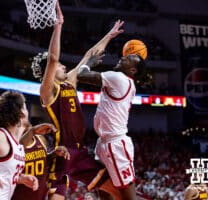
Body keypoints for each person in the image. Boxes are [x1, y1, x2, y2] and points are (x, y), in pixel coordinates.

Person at [31, 2, 124, 200]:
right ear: (48, 72)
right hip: (62, 152)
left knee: (112, 188)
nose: (64, 66)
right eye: (60, 66)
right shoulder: (48, 91)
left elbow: (88, 55)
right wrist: (58, 26)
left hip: (78, 151)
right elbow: (53, 59)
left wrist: (109, 35)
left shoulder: (69, 83)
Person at [77, 50, 146, 199]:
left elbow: (81, 76)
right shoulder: (125, 82)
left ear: (132, 70)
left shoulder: (119, 78)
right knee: (105, 194)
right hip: (104, 143)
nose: (123, 58)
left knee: (128, 198)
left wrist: (89, 62)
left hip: (116, 145)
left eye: (128, 59)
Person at [11, 123, 70, 200]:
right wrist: (31, 131)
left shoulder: (41, 139)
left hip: (39, 195)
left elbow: (43, 160)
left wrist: (54, 153)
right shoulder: (14, 145)